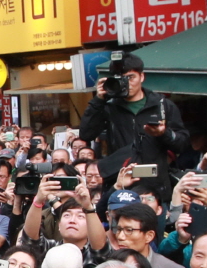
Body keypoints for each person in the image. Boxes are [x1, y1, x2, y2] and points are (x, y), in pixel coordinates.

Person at [76, 53, 187, 183]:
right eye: (121, 79)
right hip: (121, 179)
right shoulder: (109, 106)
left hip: (155, 181)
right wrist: (98, 100)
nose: (126, 83)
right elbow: (86, 134)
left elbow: (182, 144)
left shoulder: (162, 104)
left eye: (130, 77)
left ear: (142, 76)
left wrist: (164, 133)